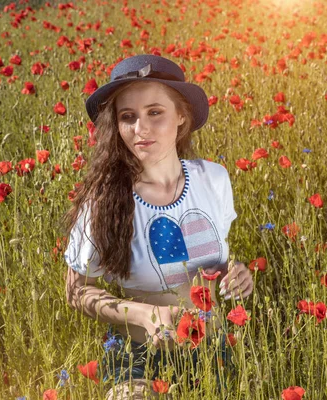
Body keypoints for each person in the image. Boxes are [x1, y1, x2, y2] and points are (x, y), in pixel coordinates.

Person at [63, 55, 254, 399]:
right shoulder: (103, 201)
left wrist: (236, 273)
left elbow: (212, 261)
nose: (141, 128)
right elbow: (77, 291)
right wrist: (144, 313)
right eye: (128, 117)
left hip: (215, 353)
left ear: (181, 116)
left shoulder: (213, 180)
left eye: (155, 112)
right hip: (141, 359)